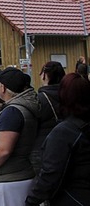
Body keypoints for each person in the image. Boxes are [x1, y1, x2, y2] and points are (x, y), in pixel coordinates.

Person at [25, 73, 90, 205]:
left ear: (63, 96)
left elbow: (51, 174)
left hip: (71, 198)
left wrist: (31, 201)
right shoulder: (82, 125)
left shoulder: (64, 132)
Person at [0, 67, 38, 205]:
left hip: (7, 183)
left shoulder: (12, 112)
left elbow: (4, 150)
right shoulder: (26, 107)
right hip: (19, 176)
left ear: (3, 88)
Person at [30, 61, 65, 173]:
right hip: (68, 145)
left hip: (43, 147)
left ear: (44, 75)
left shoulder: (39, 99)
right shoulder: (70, 94)